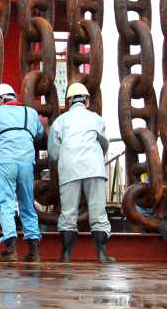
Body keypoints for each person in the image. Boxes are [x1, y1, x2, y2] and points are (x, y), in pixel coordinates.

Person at [47, 82, 112, 263]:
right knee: (98, 213)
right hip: (94, 168)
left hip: (69, 168)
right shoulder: (96, 119)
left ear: (68, 102)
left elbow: (53, 153)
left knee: (68, 214)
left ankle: (66, 254)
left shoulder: (60, 121)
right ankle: (102, 254)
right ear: (87, 101)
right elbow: (104, 144)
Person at [0, 82, 44, 262]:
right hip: (27, 162)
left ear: (1, 99)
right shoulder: (31, 113)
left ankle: (10, 249)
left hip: (6, 162)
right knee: (27, 203)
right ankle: (34, 250)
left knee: (6, 202)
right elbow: (39, 134)